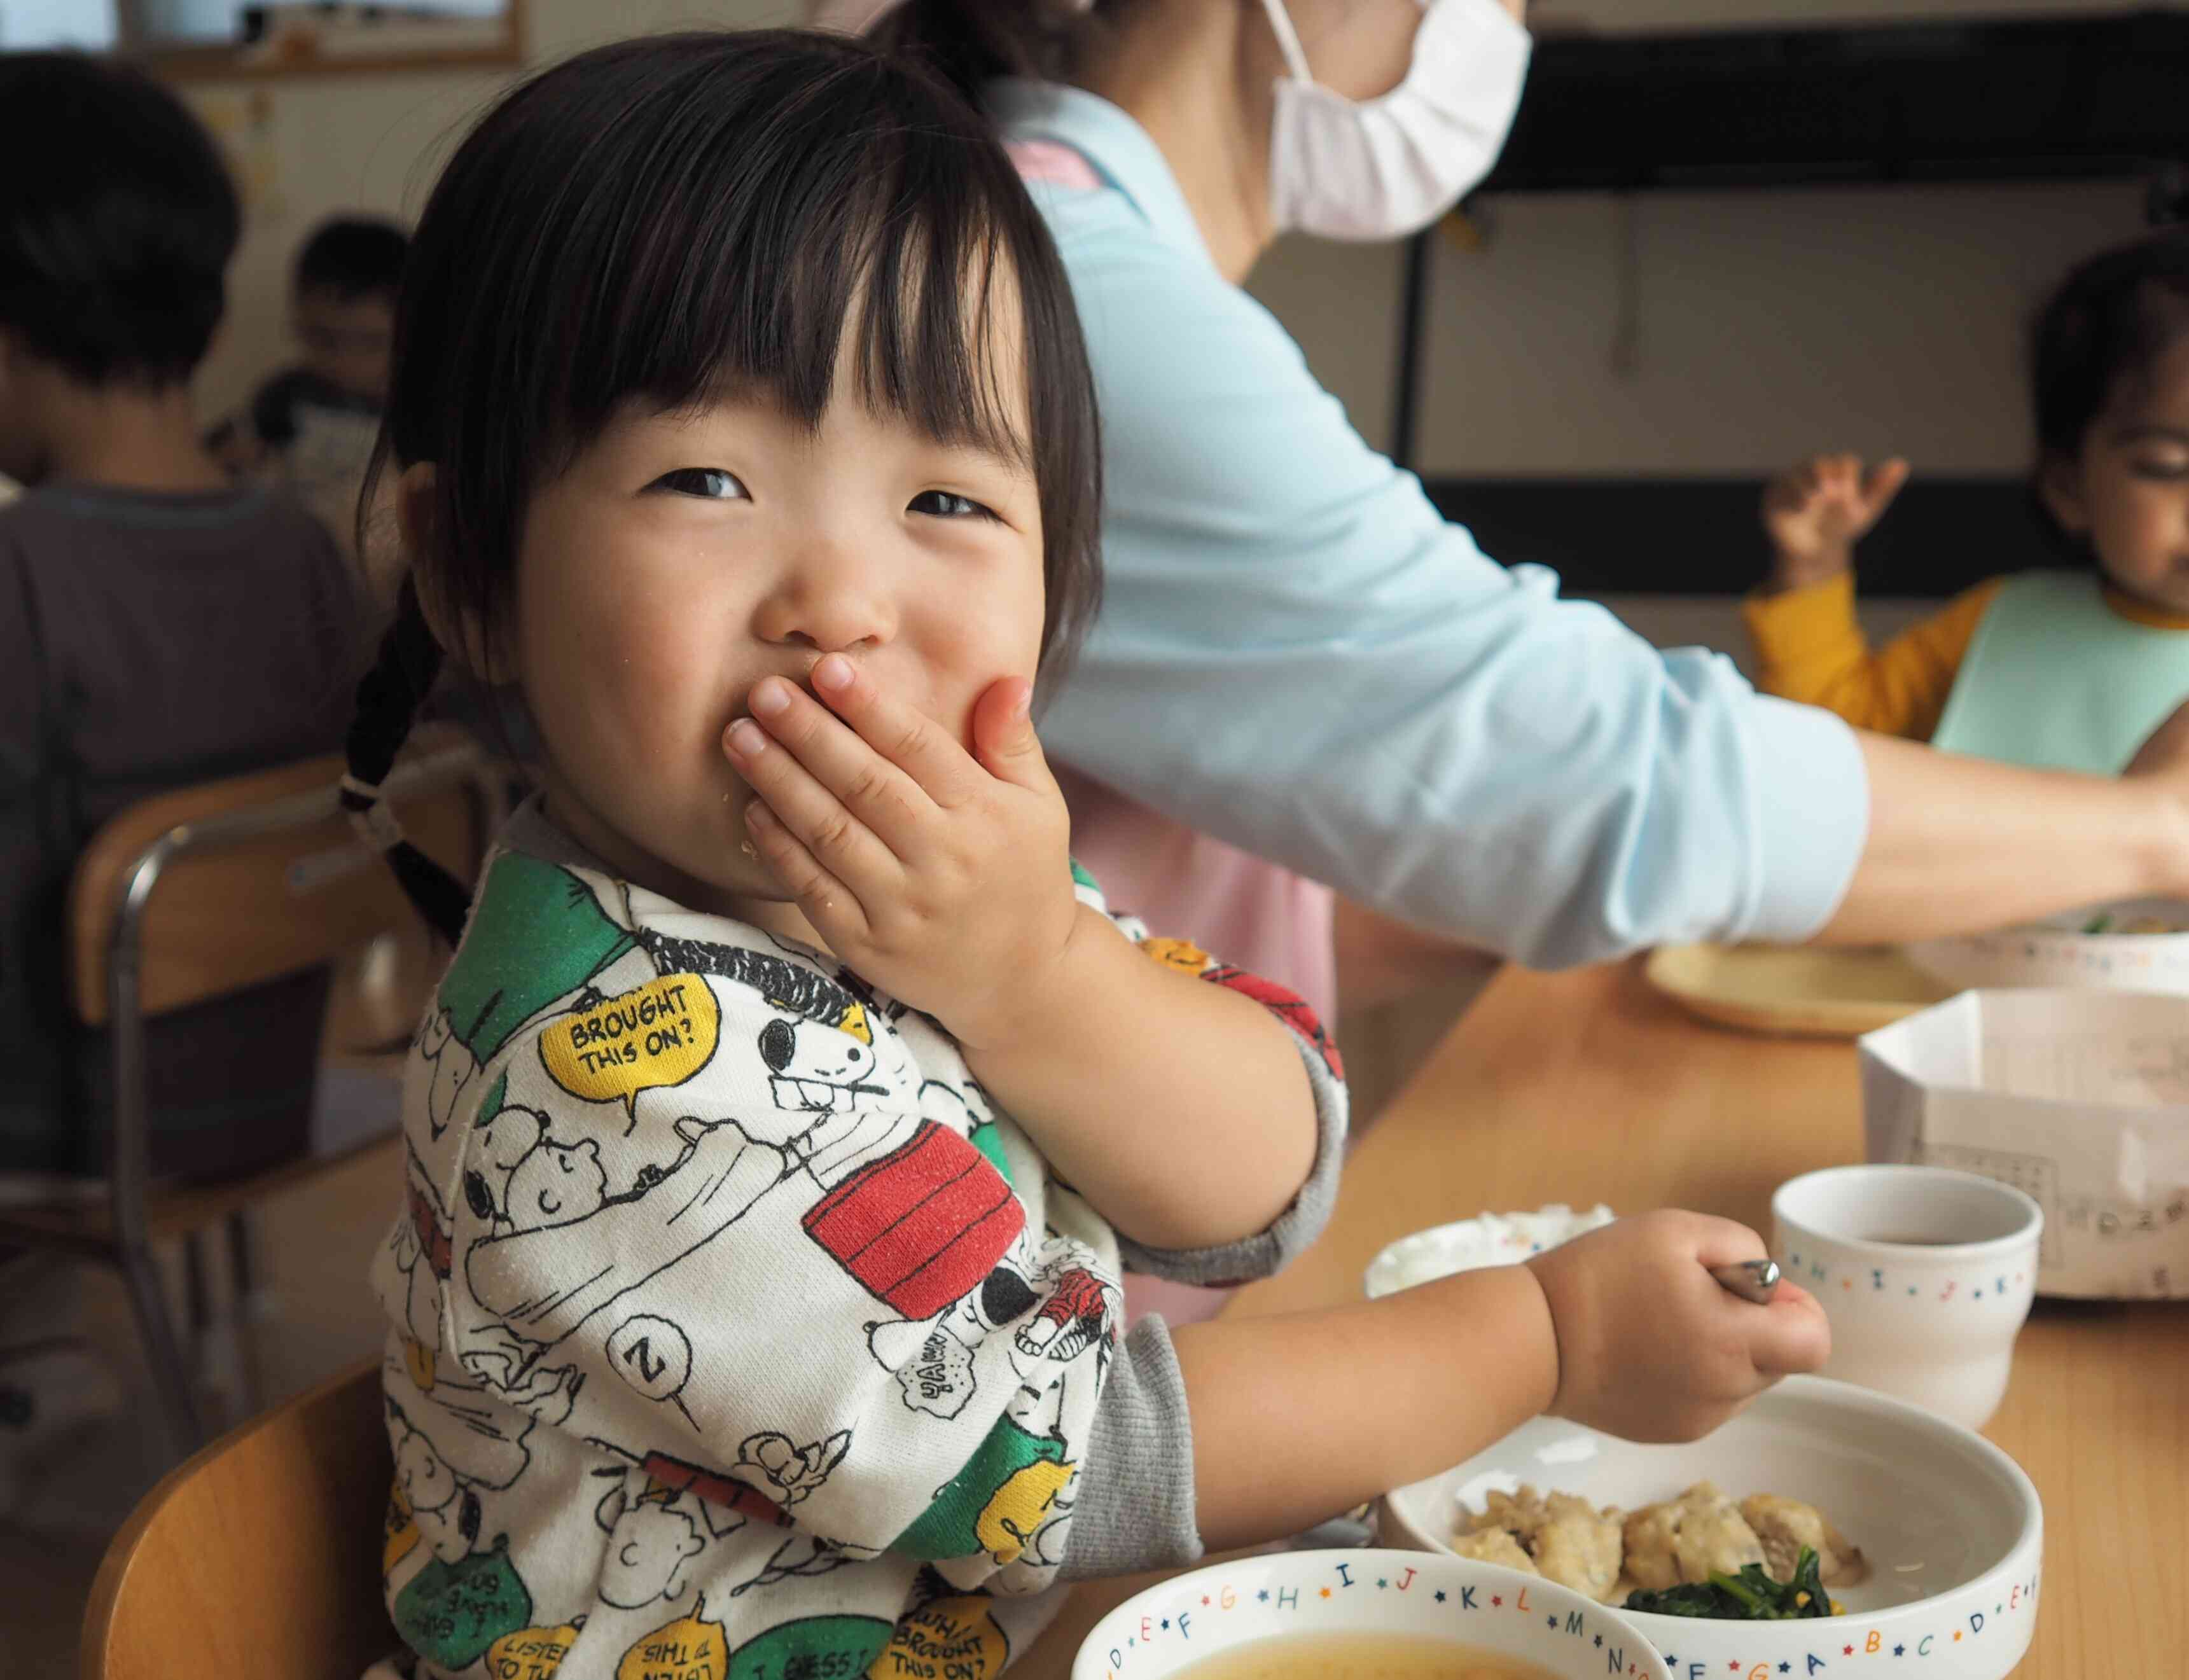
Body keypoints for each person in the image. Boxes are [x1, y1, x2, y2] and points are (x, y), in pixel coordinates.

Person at [349, 32, 1824, 1677]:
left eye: (950, 503)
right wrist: (1543, 1334)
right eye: (708, 476)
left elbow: (1261, 1188)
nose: (845, 599)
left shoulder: (947, 881)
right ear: (471, 572)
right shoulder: (598, 1052)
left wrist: (1039, 978)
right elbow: (1060, 1464)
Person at [823, 0, 2189, 1033]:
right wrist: (2150, 832)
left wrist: (1505, 880)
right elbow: (1598, 780)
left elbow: (1196, 868)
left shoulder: (1054, 255)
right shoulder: (1073, 292)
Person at [0, 53, 356, 1497]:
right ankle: (43, 1358)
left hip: (74, 1126)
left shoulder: (25, 569)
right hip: (257, 1087)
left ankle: (32, 1360)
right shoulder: (297, 549)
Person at [1748, 232, 2189, 772]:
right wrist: (1812, 567)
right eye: (2168, 468)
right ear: (2069, 486)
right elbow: (1832, 751)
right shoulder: (1998, 626)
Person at [211, 214, 406, 576]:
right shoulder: (289, 393)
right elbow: (234, 444)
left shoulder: (413, 406)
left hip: (380, 564)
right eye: (323, 339)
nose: (345, 362)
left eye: (371, 343)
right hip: (297, 554)